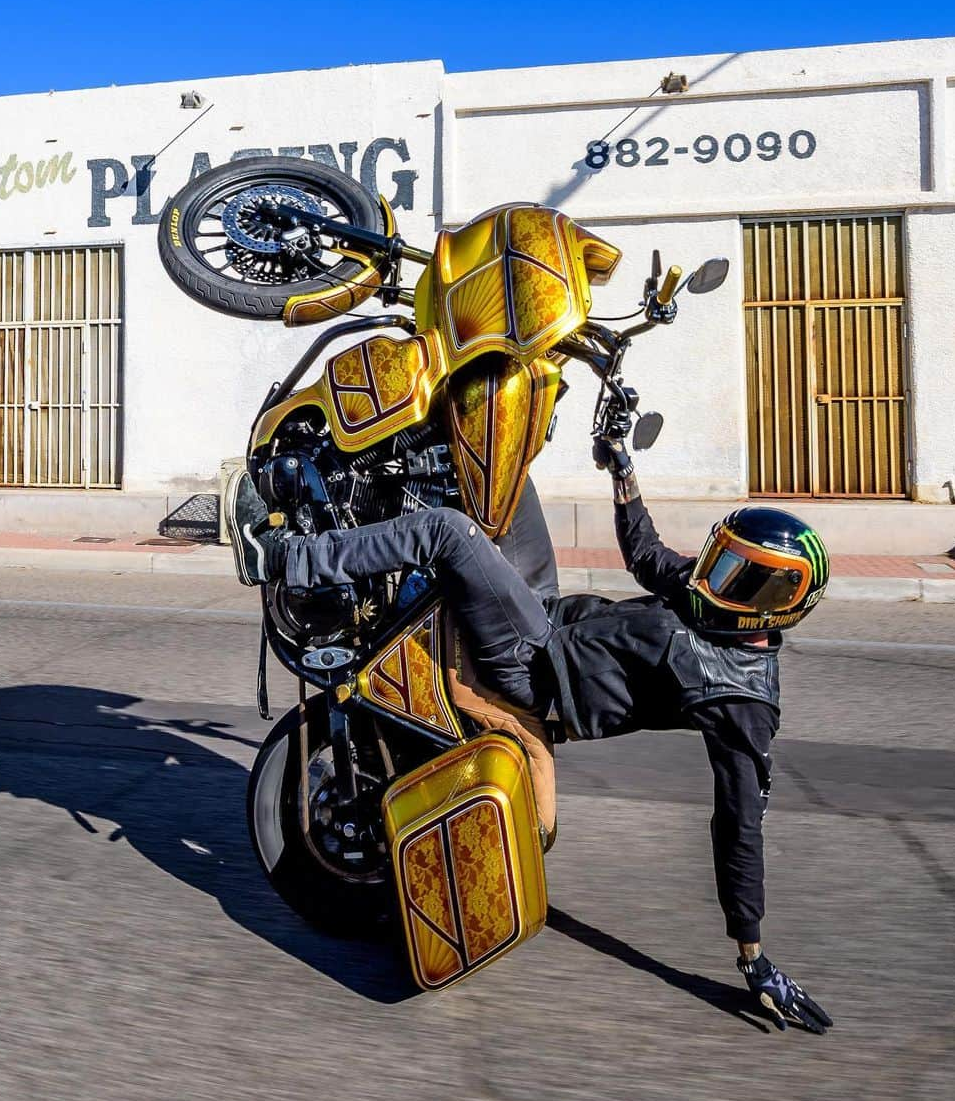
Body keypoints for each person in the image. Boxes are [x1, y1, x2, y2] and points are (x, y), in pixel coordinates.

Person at [225, 438, 833, 1035]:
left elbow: (740, 829)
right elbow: (648, 556)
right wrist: (624, 473)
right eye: (720, 561)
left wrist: (751, 954)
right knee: (507, 475)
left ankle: (278, 558)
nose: (712, 578)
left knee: (449, 532)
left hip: (532, 663)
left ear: (774, 601)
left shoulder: (743, 703)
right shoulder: (712, 600)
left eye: (737, 574)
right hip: (545, 611)